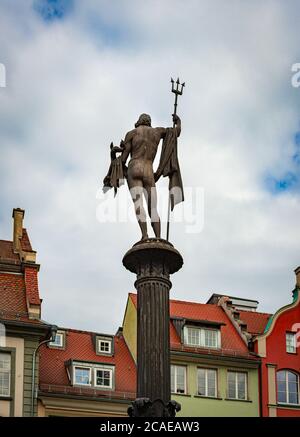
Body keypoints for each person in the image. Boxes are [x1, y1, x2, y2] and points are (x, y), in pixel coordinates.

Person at [120, 113, 181, 240]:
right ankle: (158, 237)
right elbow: (175, 133)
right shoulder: (157, 132)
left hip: (134, 168)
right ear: (149, 122)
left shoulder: (131, 133)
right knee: (153, 207)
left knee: (138, 204)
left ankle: (144, 235)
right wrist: (178, 122)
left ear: (139, 121)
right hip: (149, 170)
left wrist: (114, 156)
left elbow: (123, 160)